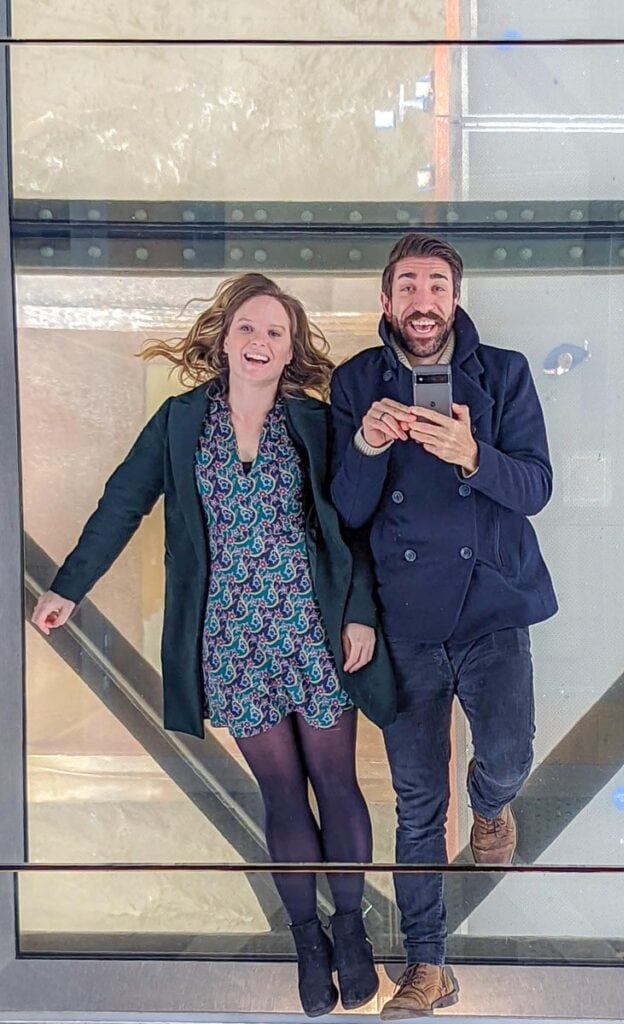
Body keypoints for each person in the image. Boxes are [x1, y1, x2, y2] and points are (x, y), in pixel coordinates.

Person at [31, 272, 397, 1019]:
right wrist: (68, 587)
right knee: (281, 794)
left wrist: (359, 613)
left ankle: (352, 931)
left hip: (311, 627)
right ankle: (307, 940)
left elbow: (352, 527)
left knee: (336, 784)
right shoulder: (178, 422)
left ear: (290, 350)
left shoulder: (315, 421)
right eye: (248, 329)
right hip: (230, 638)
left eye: (275, 333)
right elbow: (122, 503)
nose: (260, 343)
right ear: (223, 339)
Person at [330, 234, 557, 1019]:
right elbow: (347, 513)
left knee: (507, 750)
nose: (422, 302)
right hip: (406, 620)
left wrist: (471, 453)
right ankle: (426, 967)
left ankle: (493, 805)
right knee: (417, 800)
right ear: (385, 299)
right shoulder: (357, 381)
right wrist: (364, 441)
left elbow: (535, 488)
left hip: (493, 603)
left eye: (435, 286)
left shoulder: (506, 373)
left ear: (454, 297)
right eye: (407, 287)